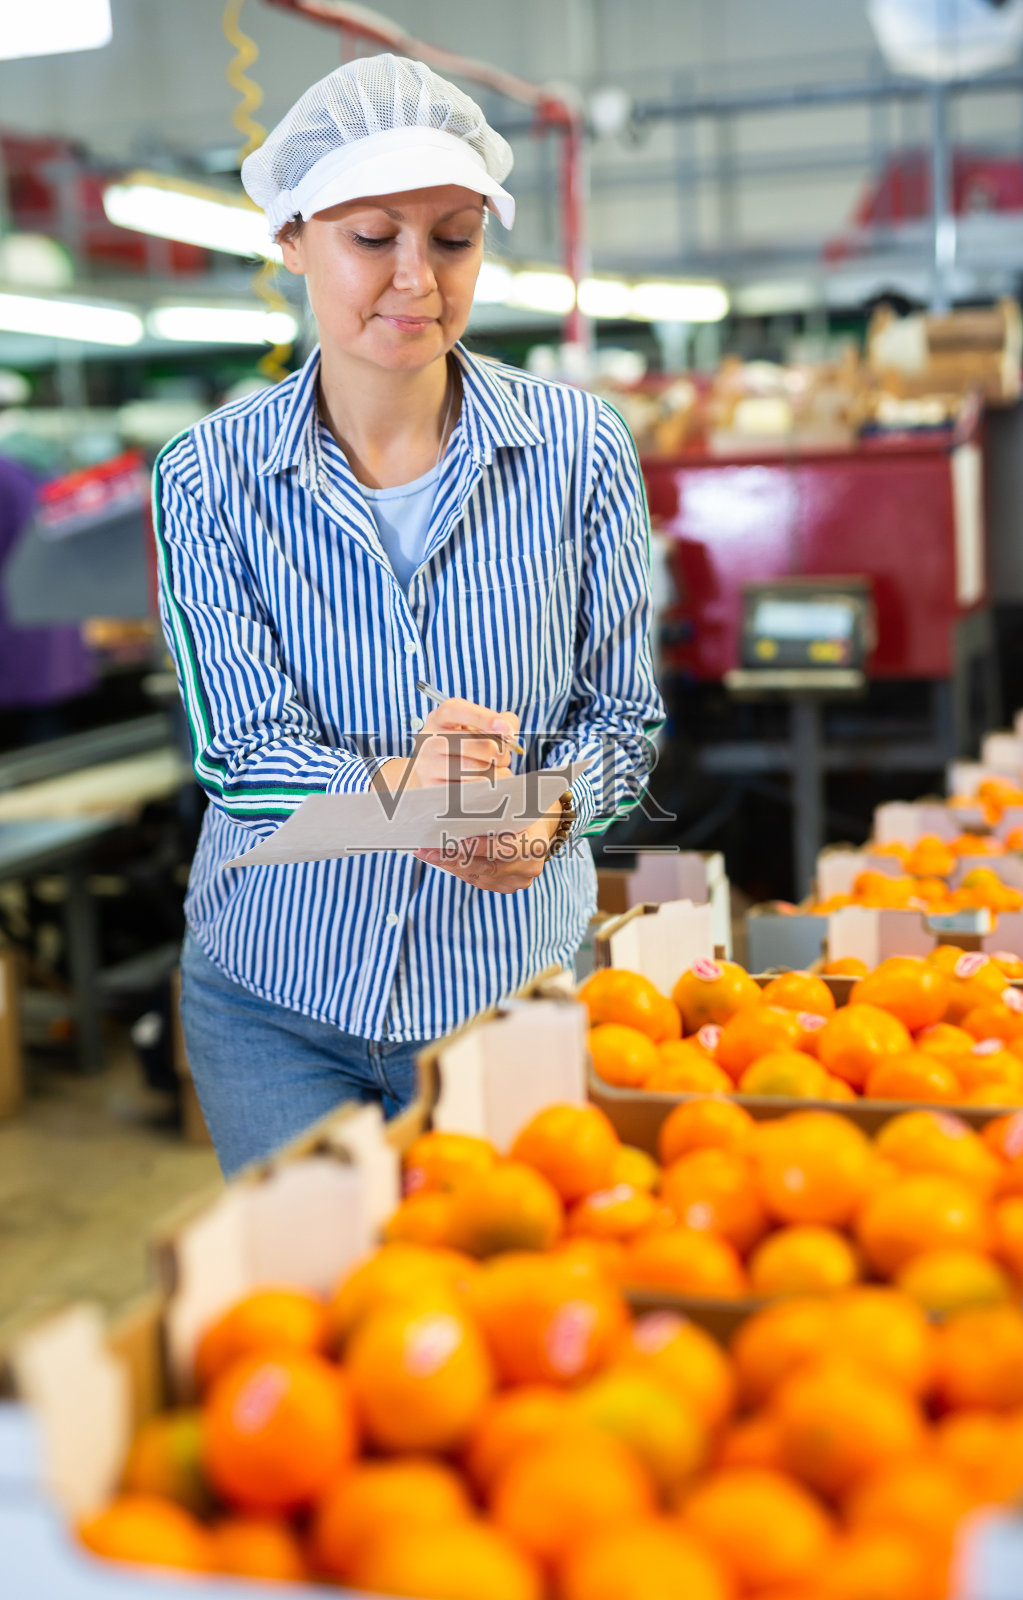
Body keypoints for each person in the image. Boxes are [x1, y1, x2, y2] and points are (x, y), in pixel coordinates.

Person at [154, 53, 664, 1177]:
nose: (416, 279)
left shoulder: (580, 451)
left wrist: (550, 812)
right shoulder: (208, 477)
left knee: (496, 1308)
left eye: (452, 238)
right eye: (371, 237)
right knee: (324, 1314)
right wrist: (411, 801)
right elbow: (240, 760)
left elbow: (625, 721)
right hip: (277, 1001)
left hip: (506, 988)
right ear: (291, 240)